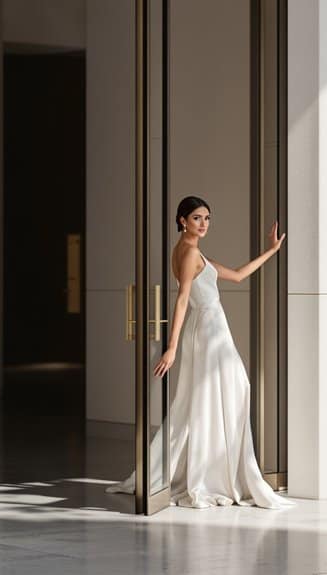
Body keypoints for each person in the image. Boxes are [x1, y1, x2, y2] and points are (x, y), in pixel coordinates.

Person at [106, 196, 294, 509]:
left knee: (213, 396)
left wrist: (272, 251)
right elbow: (182, 299)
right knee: (224, 393)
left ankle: (212, 469)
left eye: (207, 218)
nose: (203, 223)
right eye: (196, 218)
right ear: (182, 220)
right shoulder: (189, 252)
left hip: (210, 327)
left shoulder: (192, 251)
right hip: (206, 329)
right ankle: (210, 475)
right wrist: (172, 346)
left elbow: (236, 275)